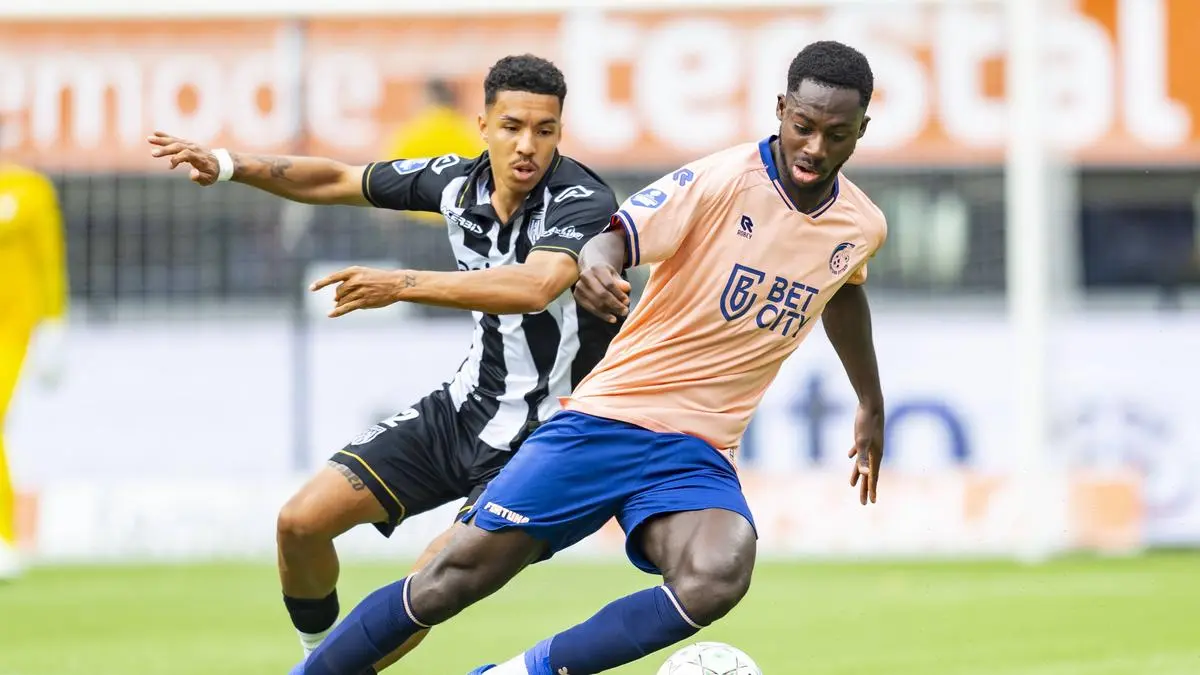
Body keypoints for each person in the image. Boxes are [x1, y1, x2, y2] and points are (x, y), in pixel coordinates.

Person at [294, 39, 888, 675]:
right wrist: (598, 269)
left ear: (861, 131)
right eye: (803, 126)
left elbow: (842, 288)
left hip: (698, 449)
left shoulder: (861, 225)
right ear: (781, 110)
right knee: (450, 578)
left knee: (718, 573)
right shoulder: (720, 180)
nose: (814, 148)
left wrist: (870, 400)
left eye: (836, 135)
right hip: (607, 420)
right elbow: (614, 236)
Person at [146, 54, 622, 670]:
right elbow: (336, 180)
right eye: (512, 127)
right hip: (464, 411)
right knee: (300, 523)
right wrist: (230, 164)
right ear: (483, 126)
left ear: (560, 132)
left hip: (547, 439)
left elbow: (536, 286)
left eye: (544, 130)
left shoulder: (581, 199)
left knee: (430, 583)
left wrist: (401, 284)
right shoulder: (455, 183)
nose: (527, 145)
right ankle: (324, 659)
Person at [0, 135, 69, 581]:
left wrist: (53, 323)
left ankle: (4, 536)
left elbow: (49, 258)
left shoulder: (29, 189)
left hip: (11, 331)